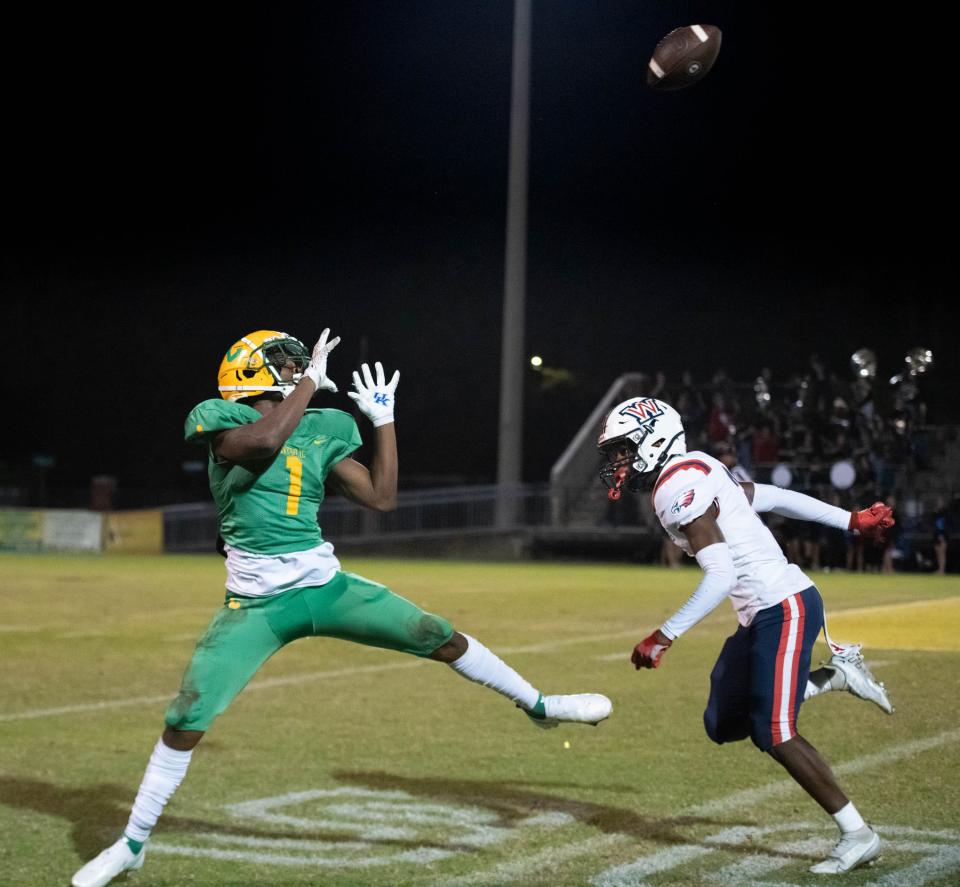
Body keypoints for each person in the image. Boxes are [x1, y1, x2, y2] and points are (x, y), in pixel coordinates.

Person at [72, 328, 611, 887]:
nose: (298, 364)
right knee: (186, 717)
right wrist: (308, 383)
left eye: (296, 360)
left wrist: (384, 421)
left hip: (325, 586)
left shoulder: (320, 427)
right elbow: (261, 444)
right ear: (247, 372)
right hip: (256, 604)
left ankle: (539, 705)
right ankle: (132, 843)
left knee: (438, 634)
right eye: (281, 360)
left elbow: (382, 497)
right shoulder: (222, 421)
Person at [597, 396, 894, 875]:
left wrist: (663, 635)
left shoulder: (678, 488)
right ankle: (832, 678)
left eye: (624, 449)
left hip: (784, 604)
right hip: (760, 615)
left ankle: (859, 834)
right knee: (724, 724)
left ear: (654, 439)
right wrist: (850, 519)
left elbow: (719, 575)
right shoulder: (696, 466)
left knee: (774, 731)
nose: (618, 463)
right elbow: (769, 497)